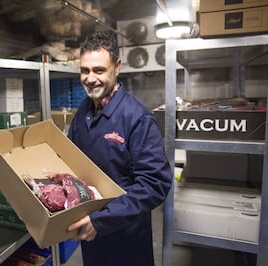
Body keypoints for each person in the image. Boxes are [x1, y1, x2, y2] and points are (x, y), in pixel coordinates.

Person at [67, 31, 173, 265]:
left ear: (117, 67)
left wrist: (103, 220)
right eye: (85, 70)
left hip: (126, 237)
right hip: (91, 233)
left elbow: (154, 184)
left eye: (99, 70)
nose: (90, 78)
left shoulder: (137, 118)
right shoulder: (83, 113)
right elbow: (70, 160)